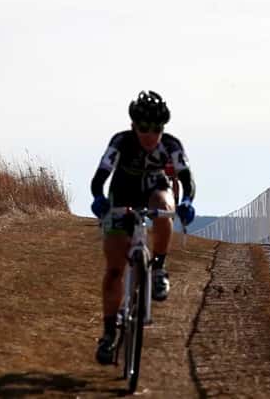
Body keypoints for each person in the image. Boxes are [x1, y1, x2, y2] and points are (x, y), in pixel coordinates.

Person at [90, 90, 196, 365]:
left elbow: (186, 178)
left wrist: (186, 201)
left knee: (164, 206)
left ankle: (159, 267)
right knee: (114, 270)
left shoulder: (171, 145)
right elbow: (100, 177)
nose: (150, 135)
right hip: (121, 197)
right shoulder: (121, 141)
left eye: (157, 128)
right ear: (133, 126)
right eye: (144, 128)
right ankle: (109, 333)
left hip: (154, 190)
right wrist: (99, 199)